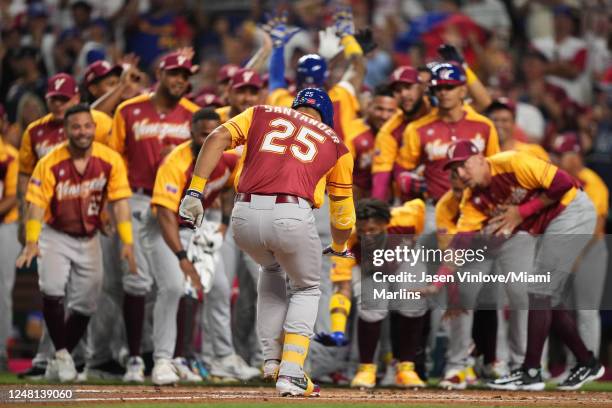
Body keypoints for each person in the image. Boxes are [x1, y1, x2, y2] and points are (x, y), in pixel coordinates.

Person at [179, 88, 355, 396]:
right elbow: (343, 217)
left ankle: (272, 360)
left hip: (244, 214)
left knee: (271, 272)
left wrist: (195, 191)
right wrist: (339, 247)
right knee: (307, 287)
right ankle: (291, 372)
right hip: (292, 214)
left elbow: (216, 138)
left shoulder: (261, 112)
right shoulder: (336, 144)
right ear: (328, 117)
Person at [420, 140, 604, 391]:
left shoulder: (513, 162)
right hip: (547, 224)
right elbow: (458, 246)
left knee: (539, 292)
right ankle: (586, 361)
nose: (461, 174)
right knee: (545, 295)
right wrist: (437, 283)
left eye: (464, 165)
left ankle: (530, 371)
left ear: (480, 158)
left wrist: (522, 211)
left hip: (571, 210)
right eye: (455, 170)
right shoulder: (472, 200)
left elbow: (565, 183)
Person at [15, 104, 135, 383]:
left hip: (91, 236)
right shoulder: (49, 162)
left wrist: (127, 242)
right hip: (55, 234)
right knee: (52, 290)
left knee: (87, 302)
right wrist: (32, 240)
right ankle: (64, 357)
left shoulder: (110, 159)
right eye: (76, 127)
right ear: (66, 131)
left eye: (87, 126)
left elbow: (120, 202)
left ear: (94, 128)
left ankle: (60, 356)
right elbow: (34, 204)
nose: (82, 132)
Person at [147, 108, 258, 384]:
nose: (209, 137)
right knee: (173, 286)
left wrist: (221, 220)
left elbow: (232, 186)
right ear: (191, 133)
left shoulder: (228, 159)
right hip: (165, 229)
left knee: (219, 287)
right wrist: (183, 258)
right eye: (202, 133)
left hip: (198, 228)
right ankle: (163, 360)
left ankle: (221, 359)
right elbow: (164, 215)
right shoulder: (176, 162)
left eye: (213, 132)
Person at [108, 50, 199, 383]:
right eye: (175, 73)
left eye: (186, 76)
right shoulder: (128, 110)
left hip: (172, 205)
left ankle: (165, 355)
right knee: (135, 280)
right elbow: (113, 159)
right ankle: (133, 357)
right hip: (134, 197)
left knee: (173, 284)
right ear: (160, 73)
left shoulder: (192, 114)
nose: (180, 80)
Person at [321, 198, 429, 389]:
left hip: (404, 257)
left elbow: (419, 204)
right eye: (362, 231)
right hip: (370, 269)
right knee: (371, 307)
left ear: (385, 224)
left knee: (412, 302)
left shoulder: (408, 218)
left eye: (372, 230)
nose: (367, 236)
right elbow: (342, 288)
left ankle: (406, 369)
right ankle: (366, 369)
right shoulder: (347, 242)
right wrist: (337, 328)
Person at [550, 132, 609, 379]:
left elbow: (595, 226)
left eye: (562, 155)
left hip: (590, 251)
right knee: (568, 311)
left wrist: (573, 256)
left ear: (575, 156)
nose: (558, 159)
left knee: (585, 310)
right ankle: (576, 365)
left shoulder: (591, 182)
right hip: (567, 250)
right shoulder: (560, 181)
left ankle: (589, 365)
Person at [265, 7, 366, 141]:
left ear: (296, 78)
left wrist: (278, 47)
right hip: (338, 161)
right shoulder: (340, 97)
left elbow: (276, 79)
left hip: (293, 161)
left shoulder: (283, 102)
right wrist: (347, 38)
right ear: (325, 78)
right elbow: (358, 68)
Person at [344, 84, 398, 199]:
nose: (384, 116)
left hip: (393, 201)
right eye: (379, 109)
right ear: (369, 106)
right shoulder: (352, 132)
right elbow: (340, 175)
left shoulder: (401, 132)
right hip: (357, 202)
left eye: (390, 111)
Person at [0, 136, 20, 373]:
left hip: (4, 226)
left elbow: (13, 196)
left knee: (2, 289)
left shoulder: (10, 155)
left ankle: (0, 351)